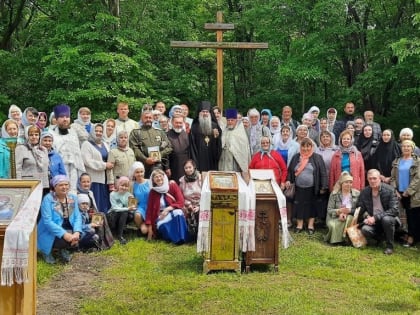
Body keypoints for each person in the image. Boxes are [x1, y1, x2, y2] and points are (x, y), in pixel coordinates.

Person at [286, 137, 328, 234]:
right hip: (298, 187)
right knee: (299, 205)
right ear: (300, 147)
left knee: (312, 205)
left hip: (313, 187)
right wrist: (288, 180)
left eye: (308, 146)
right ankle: (299, 225)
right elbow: (290, 171)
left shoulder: (317, 157)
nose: (305, 149)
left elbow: (323, 173)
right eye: (303, 146)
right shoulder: (296, 157)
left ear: (312, 147)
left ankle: (310, 226)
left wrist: (323, 186)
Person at [37, 175, 82, 264]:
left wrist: (77, 231)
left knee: (81, 234)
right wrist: (64, 234)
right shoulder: (48, 199)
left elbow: (77, 216)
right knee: (64, 238)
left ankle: (63, 249)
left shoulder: (72, 198)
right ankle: (46, 252)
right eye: (61, 185)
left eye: (66, 184)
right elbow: (48, 221)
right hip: (50, 231)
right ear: (54, 187)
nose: (64, 187)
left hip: (68, 227)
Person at [357, 169, 400, 255]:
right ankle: (381, 238)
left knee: (386, 220)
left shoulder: (390, 190)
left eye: (374, 178)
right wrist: (367, 217)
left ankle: (389, 246)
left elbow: (394, 210)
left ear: (380, 178)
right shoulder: (364, 192)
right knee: (365, 229)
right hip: (374, 222)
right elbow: (360, 209)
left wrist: (375, 217)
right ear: (367, 179)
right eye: (370, 179)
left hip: (389, 219)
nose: (372, 181)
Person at [145, 169, 188, 244]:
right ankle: (176, 239)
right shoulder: (152, 192)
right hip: (160, 216)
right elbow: (149, 210)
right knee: (165, 226)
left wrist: (168, 209)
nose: (159, 178)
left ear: (164, 177)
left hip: (172, 210)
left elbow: (181, 201)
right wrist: (150, 228)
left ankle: (182, 237)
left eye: (160, 176)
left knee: (178, 212)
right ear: (153, 180)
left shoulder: (172, 185)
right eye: (156, 177)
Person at [390, 140, 420, 247]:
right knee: (405, 215)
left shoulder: (417, 161)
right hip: (400, 193)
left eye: (408, 146)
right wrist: (395, 190)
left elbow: (418, 179)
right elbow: (392, 178)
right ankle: (407, 234)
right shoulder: (397, 161)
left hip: (412, 194)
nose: (406, 148)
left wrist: (408, 191)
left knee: (412, 216)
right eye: (404, 146)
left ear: (412, 148)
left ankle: (412, 238)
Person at [50, 104, 85, 193]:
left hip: (74, 169)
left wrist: (82, 172)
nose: (65, 119)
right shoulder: (51, 134)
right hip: (59, 170)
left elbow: (78, 154)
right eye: (62, 117)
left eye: (67, 117)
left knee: (73, 194)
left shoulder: (73, 133)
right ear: (56, 119)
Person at [129, 110, 173, 178]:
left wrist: (159, 155)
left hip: (158, 165)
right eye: (146, 117)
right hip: (143, 167)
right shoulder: (136, 132)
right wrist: (145, 159)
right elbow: (134, 148)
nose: (148, 119)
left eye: (150, 117)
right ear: (141, 119)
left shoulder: (159, 132)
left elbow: (169, 147)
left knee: (157, 186)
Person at [77, 172, 115, 249]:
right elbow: (78, 212)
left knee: (101, 215)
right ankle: (102, 242)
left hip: (90, 215)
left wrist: (95, 214)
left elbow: (94, 207)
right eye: (83, 182)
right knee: (101, 215)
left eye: (88, 181)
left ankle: (102, 241)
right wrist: (90, 215)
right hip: (83, 218)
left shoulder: (90, 193)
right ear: (80, 183)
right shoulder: (77, 194)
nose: (86, 184)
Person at [81, 124, 112, 212]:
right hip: (94, 179)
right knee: (96, 203)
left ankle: (104, 223)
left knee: (105, 203)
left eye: (101, 131)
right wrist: (104, 165)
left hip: (105, 179)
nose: (98, 133)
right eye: (96, 131)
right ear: (92, 132)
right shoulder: (86, 144)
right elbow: (87, 161)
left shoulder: (105, 144)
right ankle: (95, 223)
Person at [324, 171, 360, 244]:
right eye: (346, 182)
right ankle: (339, 240)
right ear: (341, 183)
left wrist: (349, 211)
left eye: (350, 182)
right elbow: (329, 210)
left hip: (351, 216)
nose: (349, 184)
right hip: (334, 217)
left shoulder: (357, 193)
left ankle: (345, 239)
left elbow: (359, 209)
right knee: (333, 224)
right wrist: (339, 211)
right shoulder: (334, 194)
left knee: (349, 219)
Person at [15, 125, 50, 195]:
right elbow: (17, 169)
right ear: (27, 136)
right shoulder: (21, 148)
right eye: (31, 135)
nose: (34, 137)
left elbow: (46, 168)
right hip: (28, 185)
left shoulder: (43, 149)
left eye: (36, 134)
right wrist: (18, 186)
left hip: (44, 184)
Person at [189, 100, 222, 172]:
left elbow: (218, 144)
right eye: (203, 111)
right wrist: (195, 161)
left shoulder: (215, 125)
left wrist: (217, 137)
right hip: (199, 158)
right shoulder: (194, 127)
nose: (205, 113)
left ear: (210, 113)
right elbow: (192, 145)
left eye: (207, 112)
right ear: (199, 113)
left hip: (212, 157)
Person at [218, 108, 251, 177]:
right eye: (228, 120)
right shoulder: (224, 130)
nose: (230, 122)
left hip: (235, 162)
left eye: (232, 120)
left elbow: (243, 150)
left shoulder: (240, 132)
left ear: (236, 120)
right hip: (224, 159)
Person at [107, 176, 137, 244]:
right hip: (112, 214)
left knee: (130, 215)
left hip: (122, 215)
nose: (124, 187)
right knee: (124, 212)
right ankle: (115, 230)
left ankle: (120, 235)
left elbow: (131, 209)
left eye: (126, 186)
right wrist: (127, 208)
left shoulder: (129, 195)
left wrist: (132, 205)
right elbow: (115, 208)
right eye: (122, 185)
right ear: (118, 185)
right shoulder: (113, 194)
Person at [179, 159, 202, 239]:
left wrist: (199, 206)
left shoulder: (201, 178)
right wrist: (188, 205)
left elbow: (205, 195)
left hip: (200, 204)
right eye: (186, 168)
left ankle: (200, 235)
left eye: (190, 167)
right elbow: (180, 196)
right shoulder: (182, 180)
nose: (188, 170)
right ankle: (189, 235)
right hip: (188, 204)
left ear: (194, 167)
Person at [128, 162, 150, 236]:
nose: (140, 174)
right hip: (140, 206)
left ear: (144, 172)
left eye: (141, 172)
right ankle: (140, 228)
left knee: (145, 230)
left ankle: (147, 227)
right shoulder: (132, 184)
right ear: (134, 173)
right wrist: (132, 206)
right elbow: (131, 198)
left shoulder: (149, 182)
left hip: (150, 206)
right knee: (137, 215)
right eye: (137, 172)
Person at [167, 115, 190, 183]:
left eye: (180, 123)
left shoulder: (186, 134)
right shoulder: (167, 135)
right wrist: (167, 167)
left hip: (185, 165)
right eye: (176, 123)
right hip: (173, 165)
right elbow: (166, 154)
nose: (178, 125)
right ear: (172, 122)